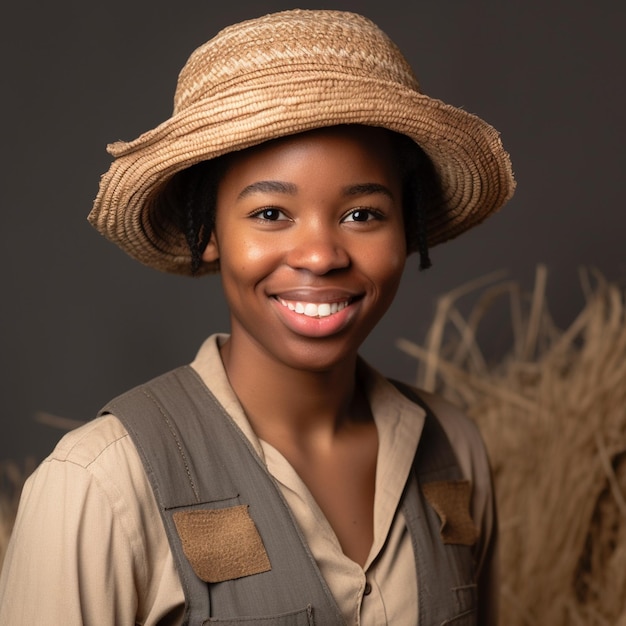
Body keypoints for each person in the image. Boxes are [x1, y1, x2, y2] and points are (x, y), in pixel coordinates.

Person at [0, 9, 514, 625]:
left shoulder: (454, 450)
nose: (322, 256)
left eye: (363, 215)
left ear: (409, 229)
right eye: (271, 213)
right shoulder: (97, 486)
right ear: (209, 232)